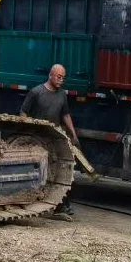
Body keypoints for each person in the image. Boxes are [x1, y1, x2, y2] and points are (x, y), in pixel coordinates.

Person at [20, 64, 78, 219]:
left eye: (63, 78)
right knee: (39, 171)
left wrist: (73, 133)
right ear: (51, 75)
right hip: (38, 140)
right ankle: (31, 201)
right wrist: (29, 134)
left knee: (61, 170)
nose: (61, 80)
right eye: (59, 77)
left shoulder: (62, 95)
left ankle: (61, 205)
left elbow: (65, 114)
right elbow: (23, 113)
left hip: (54, 139)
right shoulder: (36, 92)